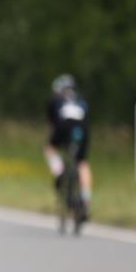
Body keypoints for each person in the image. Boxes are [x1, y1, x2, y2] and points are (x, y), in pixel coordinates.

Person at [44, 74, 92, 221]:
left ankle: (59, 172)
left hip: (63, 125)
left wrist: (55, 140)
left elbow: (52, 124)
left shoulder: (56, 99)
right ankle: (85, 201)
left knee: (50, 149)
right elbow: (87, 116)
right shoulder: (81, 99)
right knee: (82, 163)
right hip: (82, 128)